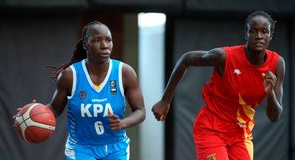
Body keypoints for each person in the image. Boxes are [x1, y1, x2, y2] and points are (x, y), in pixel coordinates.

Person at [152, 11, 285, 160]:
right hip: (211, 129)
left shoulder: (277, 64)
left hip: (241, 135)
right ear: (246, 34)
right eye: (253, 31)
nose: (259, 36)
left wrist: (270, 93)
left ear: (270, 36)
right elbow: (186, 59)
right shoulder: (224, 57)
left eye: (264, 31)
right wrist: (165, 100)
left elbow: (275, 116)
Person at [21, 21, 146, 160]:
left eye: (108, 40)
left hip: (116, 147)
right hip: (81, 148)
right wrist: (28, 114)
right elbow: (55, 108)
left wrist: (123, 123)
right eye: (97, 40)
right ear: (85, 44)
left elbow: (140, 111)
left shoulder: (125, 72)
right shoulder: (70, 75)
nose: (104, 45)